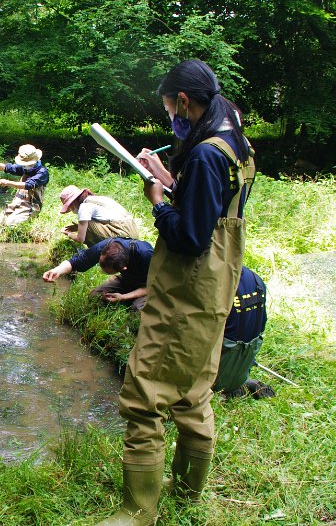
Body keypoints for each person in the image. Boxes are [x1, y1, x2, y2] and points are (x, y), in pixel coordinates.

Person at [93, 60, 256, 526]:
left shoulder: (206, 154)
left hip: (188, 286)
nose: (170, 116)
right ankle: (186, 491)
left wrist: (159, 201)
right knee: (193, 389)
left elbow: (188, 238)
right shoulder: (233, 139)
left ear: (183, 101)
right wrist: (168, 176)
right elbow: (210, 207)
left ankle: (137, 511)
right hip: (214, 286)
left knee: (145, 394)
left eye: (169, 107)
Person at [42, 237, 153, 313]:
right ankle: (123, 300)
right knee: (95, 296)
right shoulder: (105, 246)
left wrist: (123, 297)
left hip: (147, 285)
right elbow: (78, 261)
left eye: (107, 272)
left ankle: (128, 303)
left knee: (136, 308)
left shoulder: (146, 254)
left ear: (124, 268)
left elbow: (154, 286)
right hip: (126, 279)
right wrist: (57, 271)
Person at [215, 266, 275, 399]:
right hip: (241, 371)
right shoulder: (255, 279)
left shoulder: (212, 280)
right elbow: (260, 328)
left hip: (210, 375)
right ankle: (240, 386)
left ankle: (216, 392)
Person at [0, 144, 49, 226]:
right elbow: (8, 168)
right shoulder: (26, 167)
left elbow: (28, 185)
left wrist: (7, 183)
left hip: (31, 205)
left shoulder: (42, 172)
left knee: (10, 223)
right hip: (17, 202)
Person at [57, 185, 139, 247]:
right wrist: (79, 227)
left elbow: (80, 239)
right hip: (132, 230)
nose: (71, 211)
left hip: (124, 234)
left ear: (73, 203)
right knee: (87, 224)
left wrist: (68, 234)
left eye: (70, 208)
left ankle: (97, 253)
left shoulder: (84, 207)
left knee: (88, 224)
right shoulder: (96, 199)